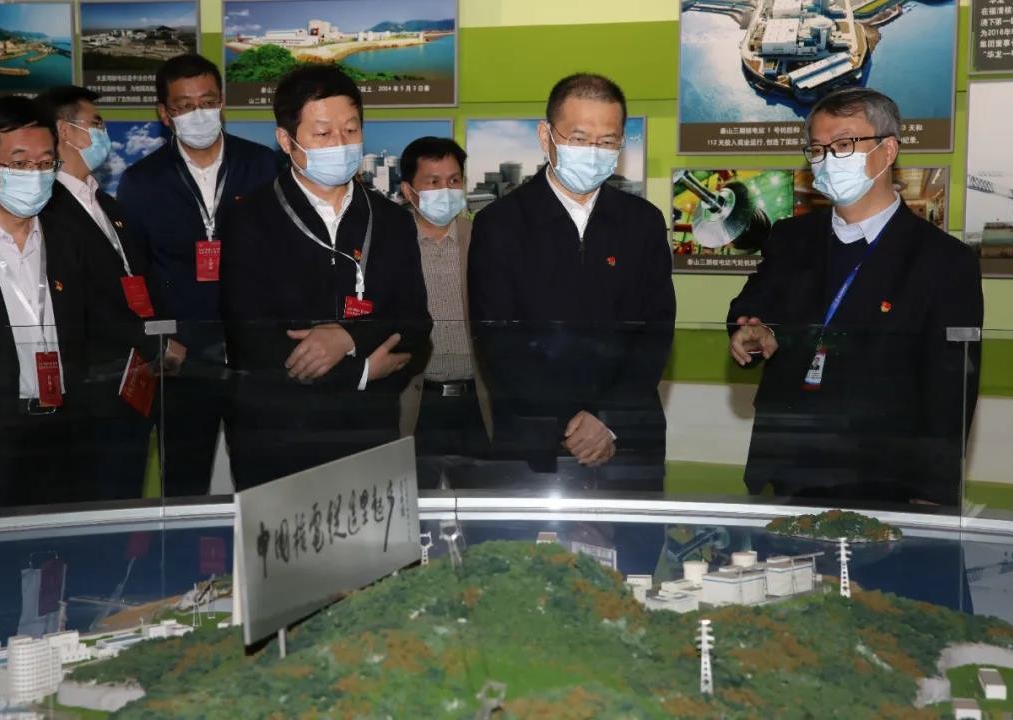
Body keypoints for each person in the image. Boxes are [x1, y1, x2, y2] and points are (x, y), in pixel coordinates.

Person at [727, 88, 983, 508]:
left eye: (844, 144)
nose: (829, 159)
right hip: (789, 466)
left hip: (884, 477)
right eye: (817, 149)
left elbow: (950, 388)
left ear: (887, 151)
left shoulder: (944, 260)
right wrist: (751, 332)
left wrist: (933, 495)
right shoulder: (791, 239)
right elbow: (750, 308)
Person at [219, 65, 431, 490]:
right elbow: (252, 342)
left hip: (369, 437)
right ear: (286, 140)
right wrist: (361, 372)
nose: (340, 143)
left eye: (350, 130)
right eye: (322, 133)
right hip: (277, 442)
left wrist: (348, 338)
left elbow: (414, 326)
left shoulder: (390, 220)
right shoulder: (249, 219)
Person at [468, 73, 676, 491]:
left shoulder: (642, 222)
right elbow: (498, 343)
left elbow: (655, 334)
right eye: (579, 138)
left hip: (626, 440)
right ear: (546, 136)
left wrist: (607, 420)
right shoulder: (500, 224)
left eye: (607, 141)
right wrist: (568, 425)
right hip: (533, 444)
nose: (593, 152)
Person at [117, 54, 278, 497]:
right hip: (182, 361)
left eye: (207, 102)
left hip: (257, 357)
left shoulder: (264, 166)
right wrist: (161, 342)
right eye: (184, 106)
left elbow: (287, 259)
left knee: (265, 484)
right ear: (164, 114)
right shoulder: (141, 181)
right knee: (183, 486)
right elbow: (134, 273)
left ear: (222, 102)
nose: (198, 113)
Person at [0, 96, 89, 510]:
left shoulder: (70, 238)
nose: (35, 175)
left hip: (64, 434)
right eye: (20, 164)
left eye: (45, 163)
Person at [37, 85, 157, 501]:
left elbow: (134, 281)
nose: (104, 132)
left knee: (125, 500)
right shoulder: (45, 210)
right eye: (96, 123)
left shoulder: (109, 206)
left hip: (131, 381)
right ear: (64, 131)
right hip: (87, 390)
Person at [397, 137, 493, 489]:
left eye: (453, 180)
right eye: (433, 182)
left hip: (475, 402)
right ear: (408, 191)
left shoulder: (483, 239)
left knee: (482, 509)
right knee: (411, 508)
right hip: (414, 402)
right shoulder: (390, 243)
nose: (446, 190)